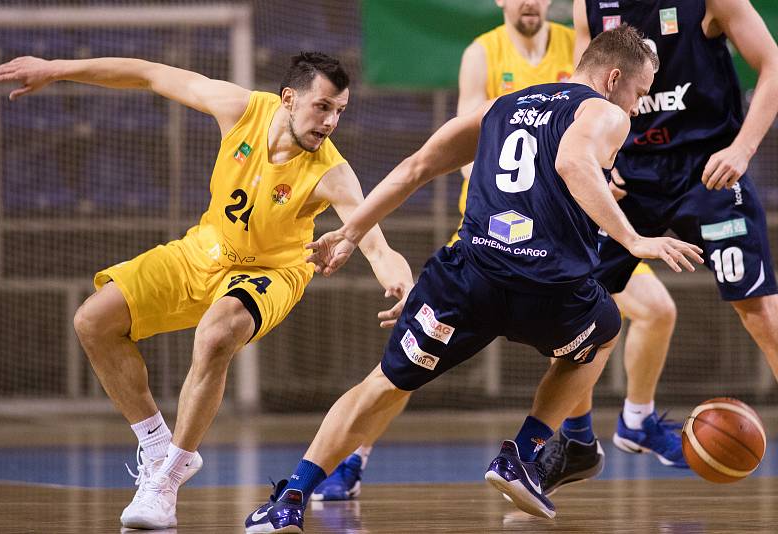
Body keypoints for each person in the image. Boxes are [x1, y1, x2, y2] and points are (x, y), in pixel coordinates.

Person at [244, 25, 704, 532]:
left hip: (469, 277)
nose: (638, 107)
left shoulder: (500, 107)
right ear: (615, 78)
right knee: (604, 329)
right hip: (546, 287)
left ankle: (289, 499)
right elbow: (572, 160)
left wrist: (351, 231)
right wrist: (635, 240)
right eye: (640, 93)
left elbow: (416, 167)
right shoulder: (604, 111)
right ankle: (522, 453)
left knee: (382, 383)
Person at [0, 52, 413, 530]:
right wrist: (57, 68)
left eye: (340, 111)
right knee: (93, 321)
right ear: (289, 99)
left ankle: (165, 483)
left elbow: (377, 246)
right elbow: (149, 74)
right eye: (323, 107)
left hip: (271, 273)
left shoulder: (331, 172)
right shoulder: (240, 109)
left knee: (216, 333)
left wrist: (401, 286)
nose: (331, 121)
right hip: (203, 251)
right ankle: (156, 444)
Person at [539, 0, 778, 493]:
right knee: (572, 307)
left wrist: (742, 148)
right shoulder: (591, 7)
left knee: (760, 311)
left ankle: (625, 423)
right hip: (631, 178)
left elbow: (773, 63)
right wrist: (602, 160)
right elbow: (589, 91)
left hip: (707, 169)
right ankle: (577, 443)